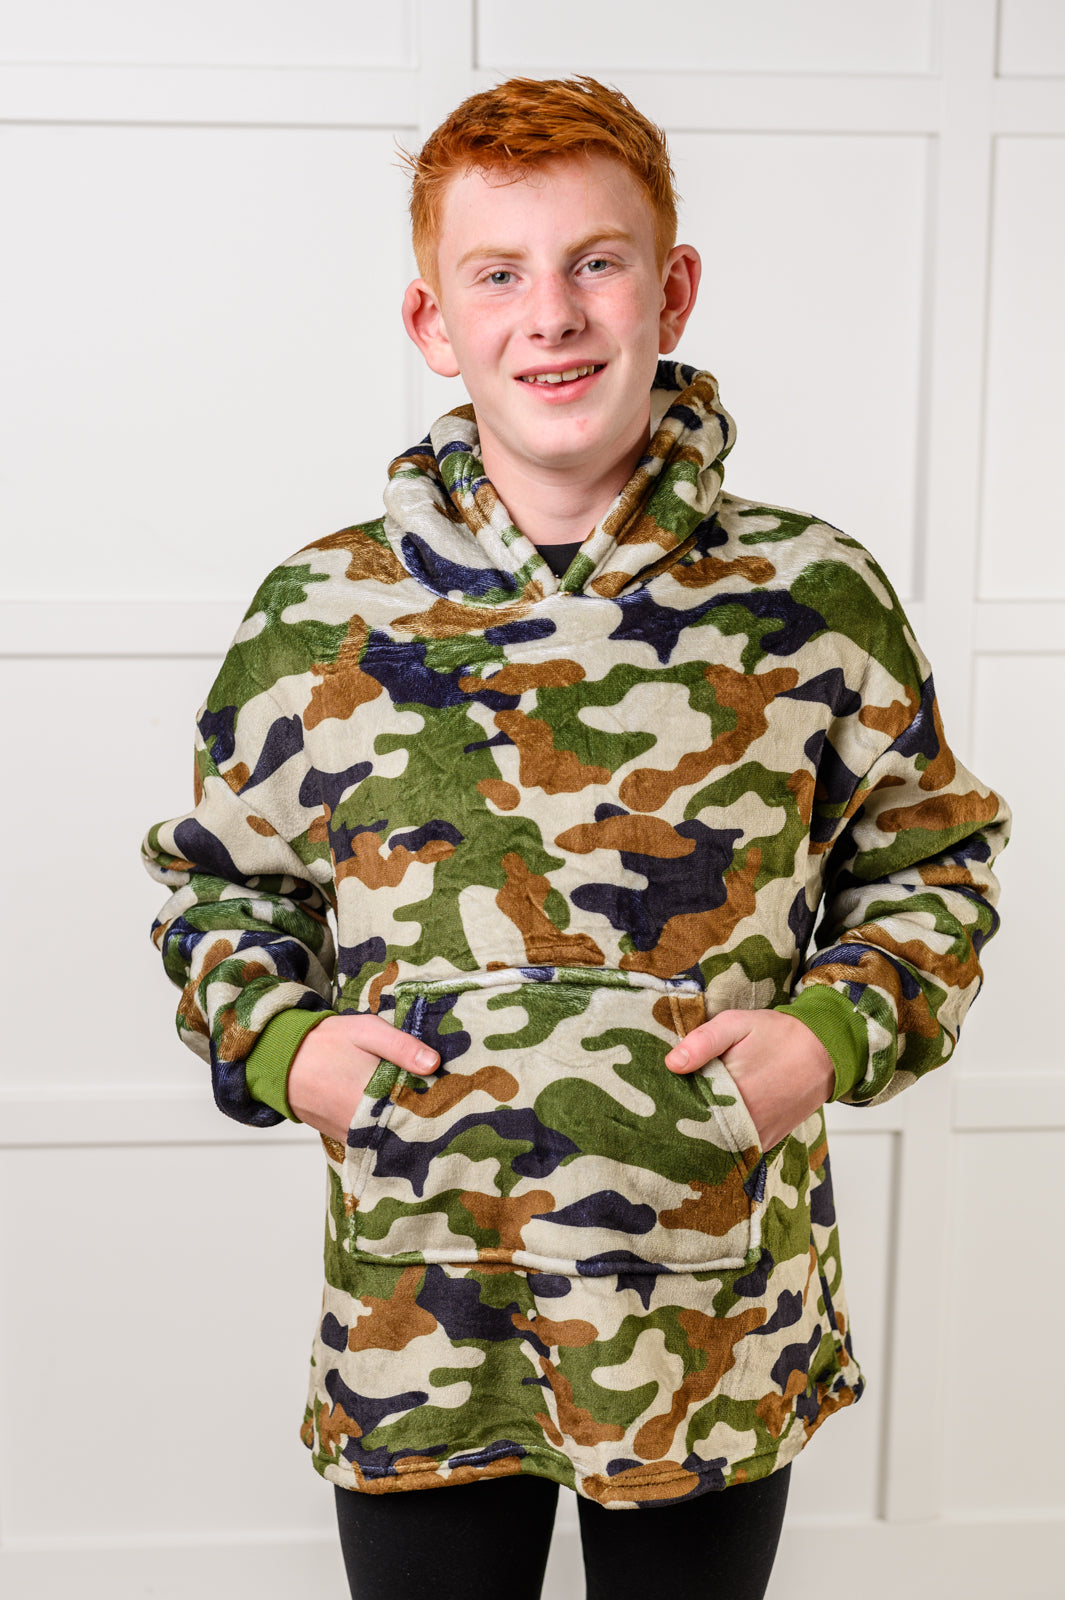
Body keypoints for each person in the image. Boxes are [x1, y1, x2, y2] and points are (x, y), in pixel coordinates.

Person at [143, 76, 1009, 1600]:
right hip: (420, 1316)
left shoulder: (809, 598)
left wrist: (824, 1036)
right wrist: (284, 1047)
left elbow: (930, 863)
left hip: (710, 1318)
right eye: (499, 273)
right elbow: (217, 890)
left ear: (669, 292)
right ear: (432, 322)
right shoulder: (320, 613)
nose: (550, 314)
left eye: (595, 263)